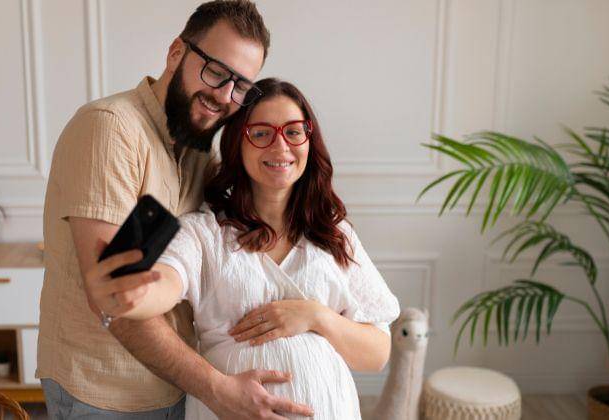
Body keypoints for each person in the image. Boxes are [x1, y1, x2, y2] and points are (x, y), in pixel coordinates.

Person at [38, 1, 314, 419]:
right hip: (104, 395)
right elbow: (113, 299)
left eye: (240, 86)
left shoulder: (197, 153)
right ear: (175, 53)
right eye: (216, 72)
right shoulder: (110, 129)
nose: (224, 96)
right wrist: (217, 389)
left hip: (173, 390)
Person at [118, 78, 401, 419]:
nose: (280, 146)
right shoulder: (205, 232)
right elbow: (164, 282)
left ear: (309, 140)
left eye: (293, 132)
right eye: (261, 133)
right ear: (238, 143)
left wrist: (315, 316)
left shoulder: (335, 234)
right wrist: (133, 289)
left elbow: (377, 353)